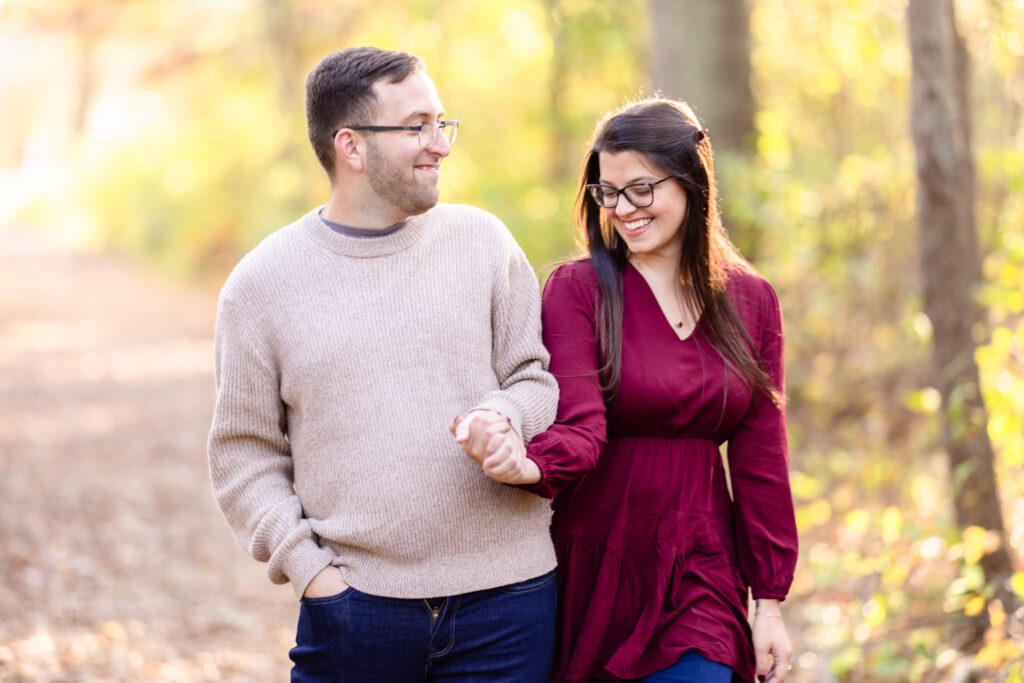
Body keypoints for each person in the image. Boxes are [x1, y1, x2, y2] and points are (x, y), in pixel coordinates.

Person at [207, 46, 560, 682]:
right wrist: (315, 578)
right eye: (416, 125)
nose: (440, 145)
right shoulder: (261, 285)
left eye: (441, 123)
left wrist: (502, 415)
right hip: (354, 613)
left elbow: (534, 378)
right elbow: (244, 457)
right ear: (351, 146)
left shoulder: (483, 243)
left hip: (510, 606)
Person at [465, 98, 798, 682]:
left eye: (641, 189)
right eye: (606, 191)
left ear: (692, 182)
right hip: (595, 555)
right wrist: (526, 464)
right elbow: (582, 427)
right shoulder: (578, 290)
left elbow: (761, 460)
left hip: (702, 562)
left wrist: (768, 603)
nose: (622, 209)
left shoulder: (752, 302)